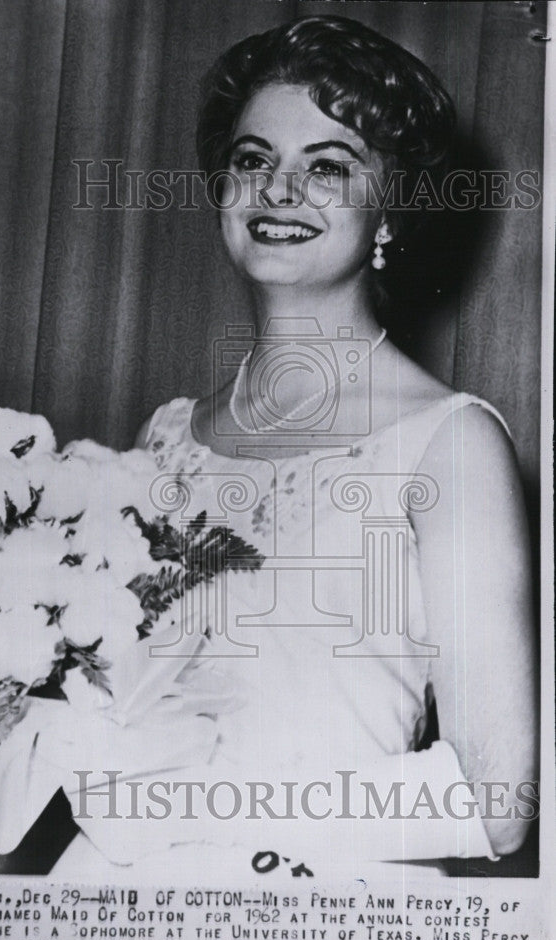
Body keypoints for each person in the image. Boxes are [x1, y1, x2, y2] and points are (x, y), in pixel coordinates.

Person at [47, 14, 537, 881]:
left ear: (391, 209)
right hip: (112, 899)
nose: (280, 189)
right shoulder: (166, 440)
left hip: (323, 916)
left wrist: (218, 818)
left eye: (328, 167)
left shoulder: (449, 444)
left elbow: (498, 801)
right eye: (252, 159)